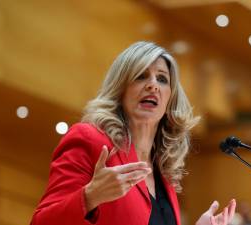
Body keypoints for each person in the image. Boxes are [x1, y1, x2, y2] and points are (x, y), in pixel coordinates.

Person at [30, 41, 236, 225]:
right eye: (141, 76)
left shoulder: (162, 174)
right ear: (120, 89)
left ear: (169, 99)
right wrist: (89, 197)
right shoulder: (90, 140)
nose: (152, 85)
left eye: (162, 79)